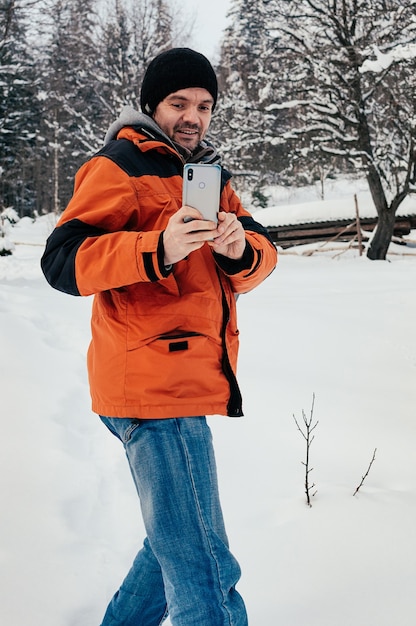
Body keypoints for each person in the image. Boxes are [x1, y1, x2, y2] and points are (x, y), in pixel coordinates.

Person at [41, 47, 277, 626]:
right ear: (152, 104)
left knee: (174, 543)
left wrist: (238, 250)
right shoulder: (118, 165)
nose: (193, 116)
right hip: (152, 388)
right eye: (179, 103)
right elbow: (62, 260)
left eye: (204, 105)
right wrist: (158, 249)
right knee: (203, 567)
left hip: (184, 383)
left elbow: (264, 255)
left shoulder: (207, 175)